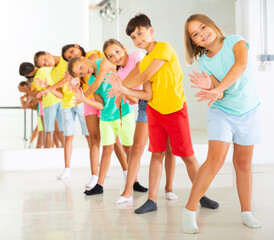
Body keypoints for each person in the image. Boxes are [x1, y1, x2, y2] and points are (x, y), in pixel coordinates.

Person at [105, 13, 219, 214]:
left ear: (151, 30)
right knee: (156, 155)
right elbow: (147, 93)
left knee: (188, 156)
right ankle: (151, 200)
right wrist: (122, 89)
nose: (138, 39)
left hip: (175, 110)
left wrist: (121, 86)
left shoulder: (163, 48)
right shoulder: (144, 60)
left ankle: (201, 195)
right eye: (133, 37)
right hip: (155, 112)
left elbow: (145, 75)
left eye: (140, 33)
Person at [182, 14, 262, 233]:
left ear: (213, 25)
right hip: (222, 112)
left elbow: (241, 65)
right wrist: (211, 87)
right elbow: (220, 94)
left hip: (249, 111)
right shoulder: (205, 62)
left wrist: (216, 88)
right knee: (215, 160)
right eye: (195, 34)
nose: (201, 34)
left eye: (203, 27)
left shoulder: (236, 41)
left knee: (243, 163)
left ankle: (246, 212)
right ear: (194, 42)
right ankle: (189, 211)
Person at [37, 45, 127, 187]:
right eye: (69, 57)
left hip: (104, 99)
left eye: (72, 52)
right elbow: (69, 80)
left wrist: (80, 91)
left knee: (114, 139)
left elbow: (98, 80)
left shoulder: (93, 56)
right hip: (88, 101)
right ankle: (94, 175)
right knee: (94, 138)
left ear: (78, 49)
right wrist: (70, 84)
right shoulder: (76, 70)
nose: (72, 56)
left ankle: (126, 172)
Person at [103, 38, 178, 203]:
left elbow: (142, 72)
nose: (116, 57)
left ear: (123, 48)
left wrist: (122, 87)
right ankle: (127, 192)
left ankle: (169, 188)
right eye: (111, 56)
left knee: (168, 148)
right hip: (144, 104)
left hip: (162, 99)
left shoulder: (137, 55)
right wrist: (123, 91)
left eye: (117, 51)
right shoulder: (119, 74)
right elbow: (133, 100)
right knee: (136, 147)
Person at [68, 56, 134, 195]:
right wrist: (86, 99)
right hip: (107, 117)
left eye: (81, 68)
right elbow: (101, 105)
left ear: (83, 59)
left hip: (123, 112)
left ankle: (134, 181)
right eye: (80, 74)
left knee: (129, 149)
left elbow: (98, 83)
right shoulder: (91, 80)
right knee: (107, 149)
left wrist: (83, 96)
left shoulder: (104, 62)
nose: (83, 72)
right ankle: (99, 185)